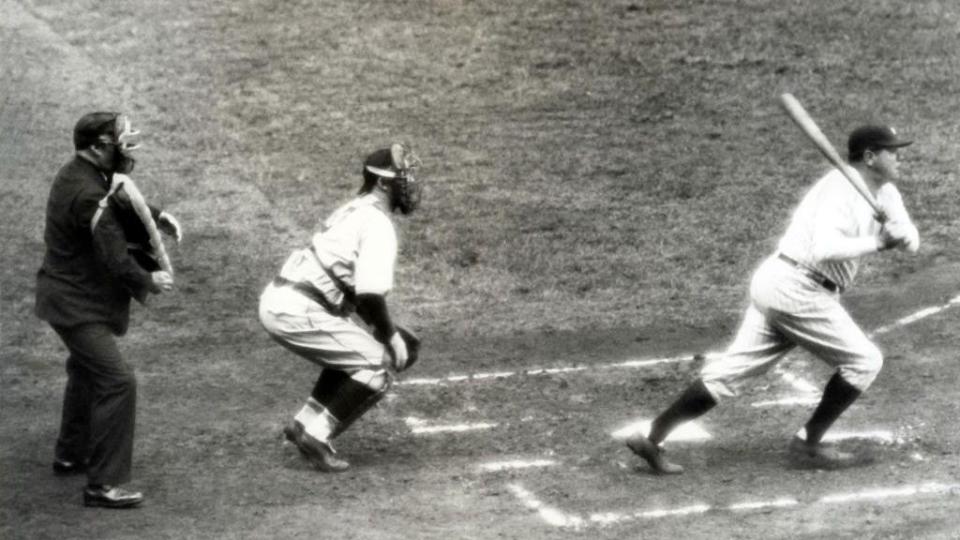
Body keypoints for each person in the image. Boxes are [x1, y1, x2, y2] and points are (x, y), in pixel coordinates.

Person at [626, 125, 919, 474]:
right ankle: (808, 445)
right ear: (870, 157)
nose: (900, 156)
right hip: (796, 287)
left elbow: (912, 241)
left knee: (729, 373)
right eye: (893, 151)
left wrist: (903, 234)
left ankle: (652, 439)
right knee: (864, 361)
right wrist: (879, 243)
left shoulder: (886, 193)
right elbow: (825, 250)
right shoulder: (838, 189)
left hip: (784, 287)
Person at [36, 112, 182, 508]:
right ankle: (104, 485)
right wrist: (150, 280)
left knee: (86, 372)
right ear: (99, 147)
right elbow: (116, 256)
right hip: (76, 305)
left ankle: (71, 453)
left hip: (71, 296)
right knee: (118, 381)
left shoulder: (81, 174)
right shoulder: (86, 193)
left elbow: (118, 196)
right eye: (120, 143)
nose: (127, 151)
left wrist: (155, 215)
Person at [259, 143, 422, 472]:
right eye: (403, 178)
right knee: (379, 365)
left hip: (285, 300)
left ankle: (302, 424)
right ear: (383, 183)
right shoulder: (377, 224)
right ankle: (317, 437)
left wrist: (380, 330)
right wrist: (390, 338)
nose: (410, 184)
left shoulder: (354, 209)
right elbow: (370, 294)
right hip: (298, 310)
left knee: (353, 349)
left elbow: (354, 290)